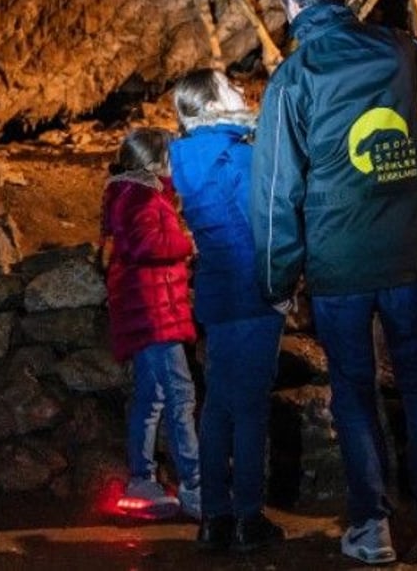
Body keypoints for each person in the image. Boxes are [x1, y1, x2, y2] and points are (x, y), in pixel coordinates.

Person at [249, 0, 417, 565]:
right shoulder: (395, 48)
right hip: (406, 254)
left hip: (339, 264)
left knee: (354, 393)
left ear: (292, 6)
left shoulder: (294, 77)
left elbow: (276, 192)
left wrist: (277, 279)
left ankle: (374, 526)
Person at [169, 69, 286, 553]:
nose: (242, 90)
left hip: (217, 292)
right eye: (229, 85)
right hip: (253, 292)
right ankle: (248, 516)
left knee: (217, 405)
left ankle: (213, 515)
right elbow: (268, 224)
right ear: (213, 103)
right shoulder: (241, 155)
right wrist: (281, 283)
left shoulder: (187, 159)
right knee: (252, 408)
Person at [100, 127, 201, 520]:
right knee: (180, 395)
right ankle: (195, 484)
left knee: (153, 395)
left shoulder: (129, 193)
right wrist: (187, 244)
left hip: (149, 311)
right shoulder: (140, 196)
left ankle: (142, 478)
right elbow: (146, 246)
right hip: (154, 313)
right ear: (156, 161)